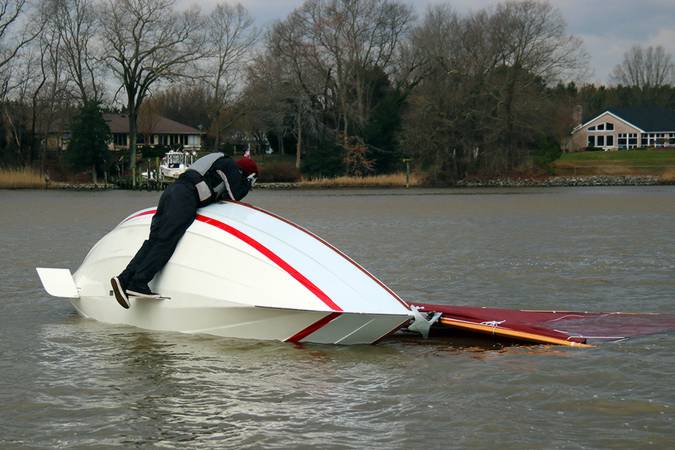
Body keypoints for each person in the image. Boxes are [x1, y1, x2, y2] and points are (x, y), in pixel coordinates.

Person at [111, 152, 258, 309]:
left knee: (153, 241)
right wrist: (248, 183)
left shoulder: (219, 162)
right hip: (185, 198)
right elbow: (235, 194)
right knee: (166, 242)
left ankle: (124, 279)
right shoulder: (231, 166)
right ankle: (138, 283)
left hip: (172, 193)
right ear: (245, 172)